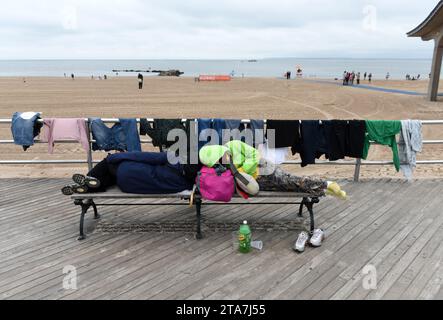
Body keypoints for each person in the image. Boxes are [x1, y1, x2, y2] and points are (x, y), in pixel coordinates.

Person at [61, 142, 346, 200]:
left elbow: (150, 157)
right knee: (117, 162)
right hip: (142, 180)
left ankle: (93, 184)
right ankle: (93, 184)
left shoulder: (193, 161)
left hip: (130, 178)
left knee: (114, 160)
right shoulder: (197, 166)